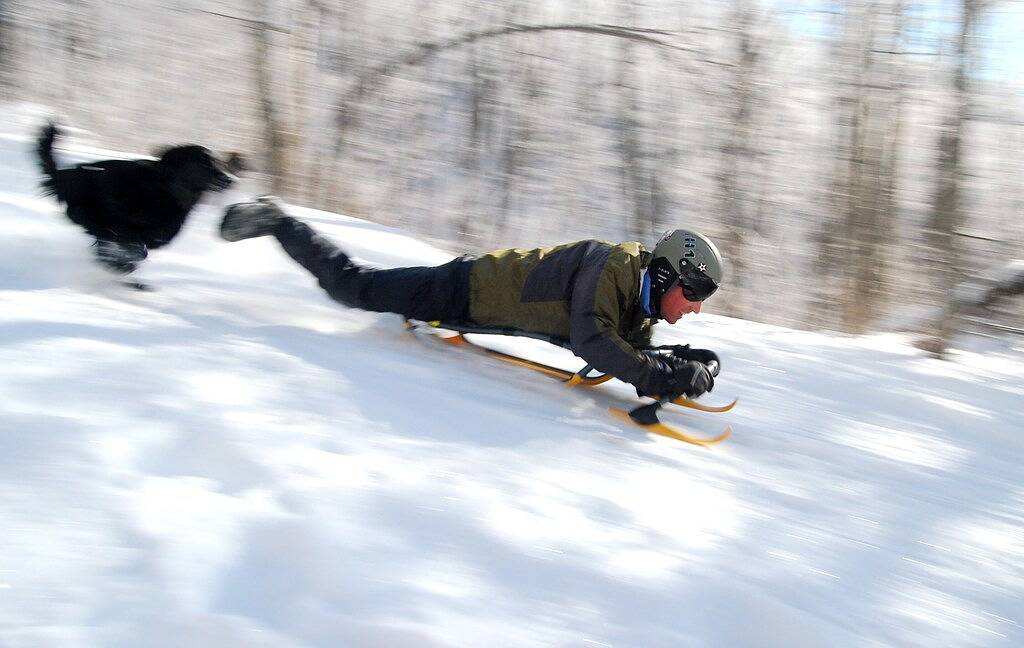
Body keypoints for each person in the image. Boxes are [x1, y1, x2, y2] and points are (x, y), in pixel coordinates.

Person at [219, 196, 724, 400]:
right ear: (664, 274)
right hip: (463, 290)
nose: (696, 306)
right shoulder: (612, 265)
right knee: (351, 287)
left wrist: (676, 361)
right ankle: (277, 220)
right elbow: (592, 338)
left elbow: (626, 346)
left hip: (476, 298)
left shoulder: (637, 299)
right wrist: (660, 376)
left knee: (357, 288)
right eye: (694, 291)